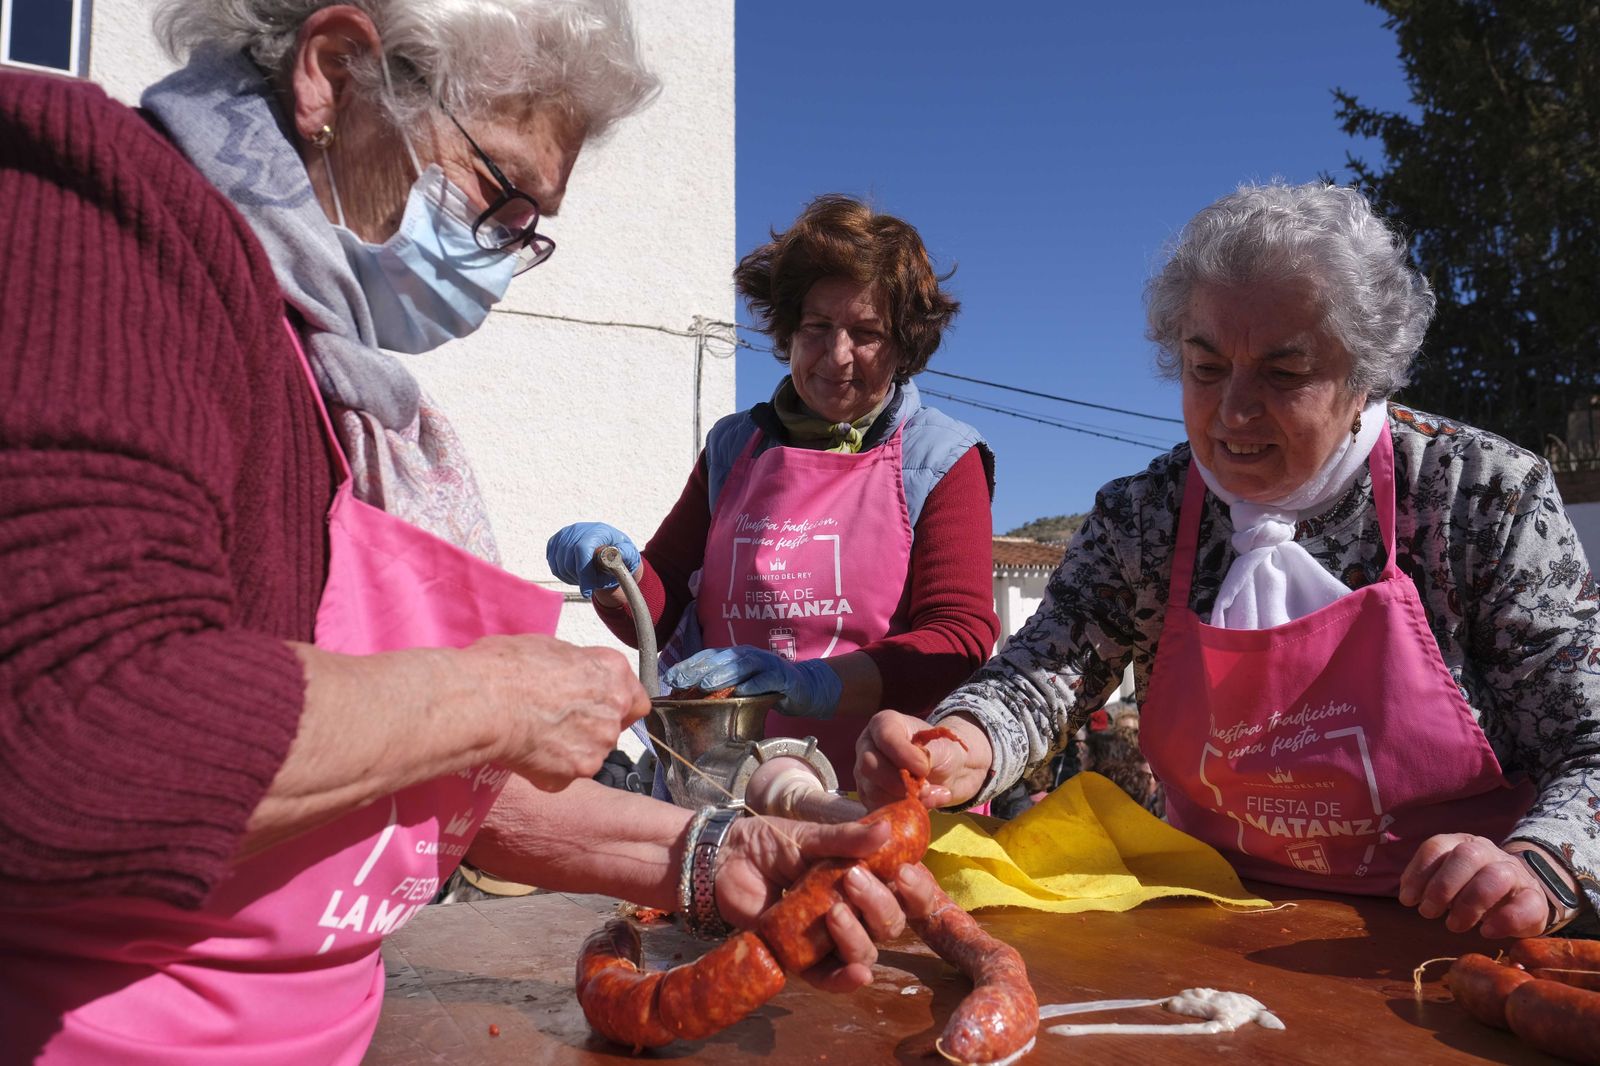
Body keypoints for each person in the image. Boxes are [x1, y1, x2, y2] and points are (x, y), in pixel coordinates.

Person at [0, 4, 911, 1062]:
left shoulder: (333, 379)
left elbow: (378, 772)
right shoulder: (89, 216)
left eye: (534, 223)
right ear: (336, 73)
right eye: (496, 191)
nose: (505, 247)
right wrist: (494, 698)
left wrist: (709, 851)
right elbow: (78, 728)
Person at [858, 181, 1599, 940]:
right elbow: (1039, 680)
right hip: (1208, 921)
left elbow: (1591, 745)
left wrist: (1541, 865)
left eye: (1284, 374)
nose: (1235, 412)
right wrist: (958, 744)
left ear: (1364, 374)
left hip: (1449, 936)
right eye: (1205, 368)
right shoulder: (1144, 515)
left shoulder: (1477, 497)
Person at [547, 194, 1000, 792]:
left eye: (867, 333)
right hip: (723, 787)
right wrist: (617, 579)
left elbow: (957, 637)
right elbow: (659, 614)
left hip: (883, 787)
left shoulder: (940, 456)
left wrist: (812, 684)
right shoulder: (735, 448)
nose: (838, 356)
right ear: (788, 333)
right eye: (817, 328)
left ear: (904, 346)